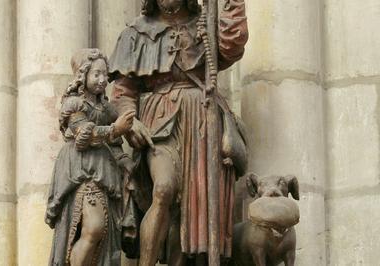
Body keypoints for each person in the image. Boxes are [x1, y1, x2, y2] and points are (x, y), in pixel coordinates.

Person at [109, 0, 248, 264]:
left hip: (203, 121)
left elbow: (232, 46)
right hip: (159, 123)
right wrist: (131, 121)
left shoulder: (205, 24)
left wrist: (233, 4)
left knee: (194, 208)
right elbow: (123, 91)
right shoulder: (135, 33)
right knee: (164, 188)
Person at [45, 48, 135, 266]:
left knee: (103, 232)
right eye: (96, 74)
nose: (103, 80)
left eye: (105, 75)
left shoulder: (106, 107)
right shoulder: (74, 104)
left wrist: (124, 160)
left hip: (104, 171)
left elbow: (115, 144)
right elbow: (84, 137)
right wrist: (115, 129)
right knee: (94, 226)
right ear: (82, 75)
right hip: (80, 169)